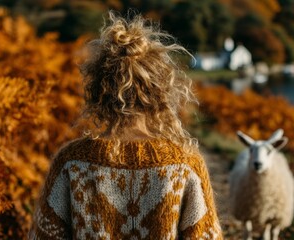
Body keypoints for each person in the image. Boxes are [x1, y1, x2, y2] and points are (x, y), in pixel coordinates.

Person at [29, 11, 222, 239]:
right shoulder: (185, 164)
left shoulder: (71, 162)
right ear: (161, 91)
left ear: (98, 91)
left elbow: (43, 235)